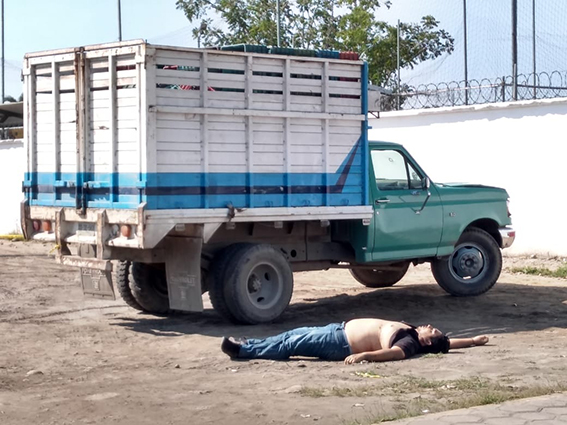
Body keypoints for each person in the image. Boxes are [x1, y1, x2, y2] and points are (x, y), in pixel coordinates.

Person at [220, 318, 489, 364]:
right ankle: (250, 343)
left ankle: (242, 351)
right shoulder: (419, 337)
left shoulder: (409, 344)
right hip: (337, 329)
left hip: (340, 343)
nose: (429, 326)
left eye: (433, 330)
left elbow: (394, 354)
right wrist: (474, 341)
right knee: (291, 335)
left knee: (291, 345)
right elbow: (448, 344)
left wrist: (365, 356)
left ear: (427, 342)